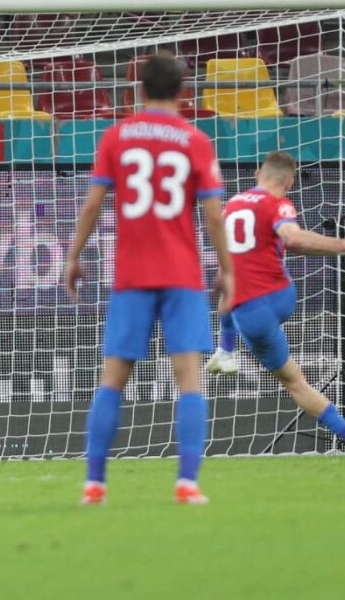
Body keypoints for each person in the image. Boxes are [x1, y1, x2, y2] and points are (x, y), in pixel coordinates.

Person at [64, 52, 233, 506]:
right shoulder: (195, 140)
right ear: (184, 93)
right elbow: (214, 217)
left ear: (138, 90)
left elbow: (93, 204)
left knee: (113, 378)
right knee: (189, 378)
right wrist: (227, 268)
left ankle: (95, 484)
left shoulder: (117, 136)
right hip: (181, 274)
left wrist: (73, 257)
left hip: (133, 274)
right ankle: (187, 483)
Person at [205, 151, 345, 466]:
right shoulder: (279, 204)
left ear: (257, 175)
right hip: (283, 296)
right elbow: (291, 239)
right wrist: (344, 247)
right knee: (245, 271)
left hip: (252, 314)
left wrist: (344, 245)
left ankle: (226, 349)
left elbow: (292, 238)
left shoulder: (231, 205)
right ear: (289, 181)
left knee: (294, 382)